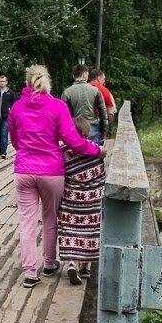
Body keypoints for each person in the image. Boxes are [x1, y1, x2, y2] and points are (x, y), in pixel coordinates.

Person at [8, 64, 105, 288]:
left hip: (23, 170)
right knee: (50, 218)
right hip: (51, 172)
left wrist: (27, 150)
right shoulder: (57, 107)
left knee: (27, 222)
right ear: (47, 82)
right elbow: (73, 141)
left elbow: (15, 141)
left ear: (27, 83)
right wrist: (96, 150)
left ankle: (30, 272)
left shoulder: (16, 108)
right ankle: (50, 263)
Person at [58, 117, 106, 284]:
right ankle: (85, 267)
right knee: (90, 230)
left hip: (71, 199)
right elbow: (101, 172)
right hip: (91, 201)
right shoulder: (95, 150)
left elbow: (60, 174)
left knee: (70, 229)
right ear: (87, 133)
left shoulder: (63, 152)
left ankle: (71, 262)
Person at [62, 64, 108, 145]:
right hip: (92, 127)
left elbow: (63, 115)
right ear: (84, 75)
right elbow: (103, 112)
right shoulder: (95, 91)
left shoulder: (67, 93)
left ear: (73, 76)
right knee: (95, 154)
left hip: (75, 129)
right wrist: (104, 131)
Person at [88, 69, 116, 137]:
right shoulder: (105, 91)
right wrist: (109, 130)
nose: (104, 81)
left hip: (79, 123)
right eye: (103, 79)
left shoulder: (81, 88)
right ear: (99, 78)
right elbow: (110, 113)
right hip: (97, 124)